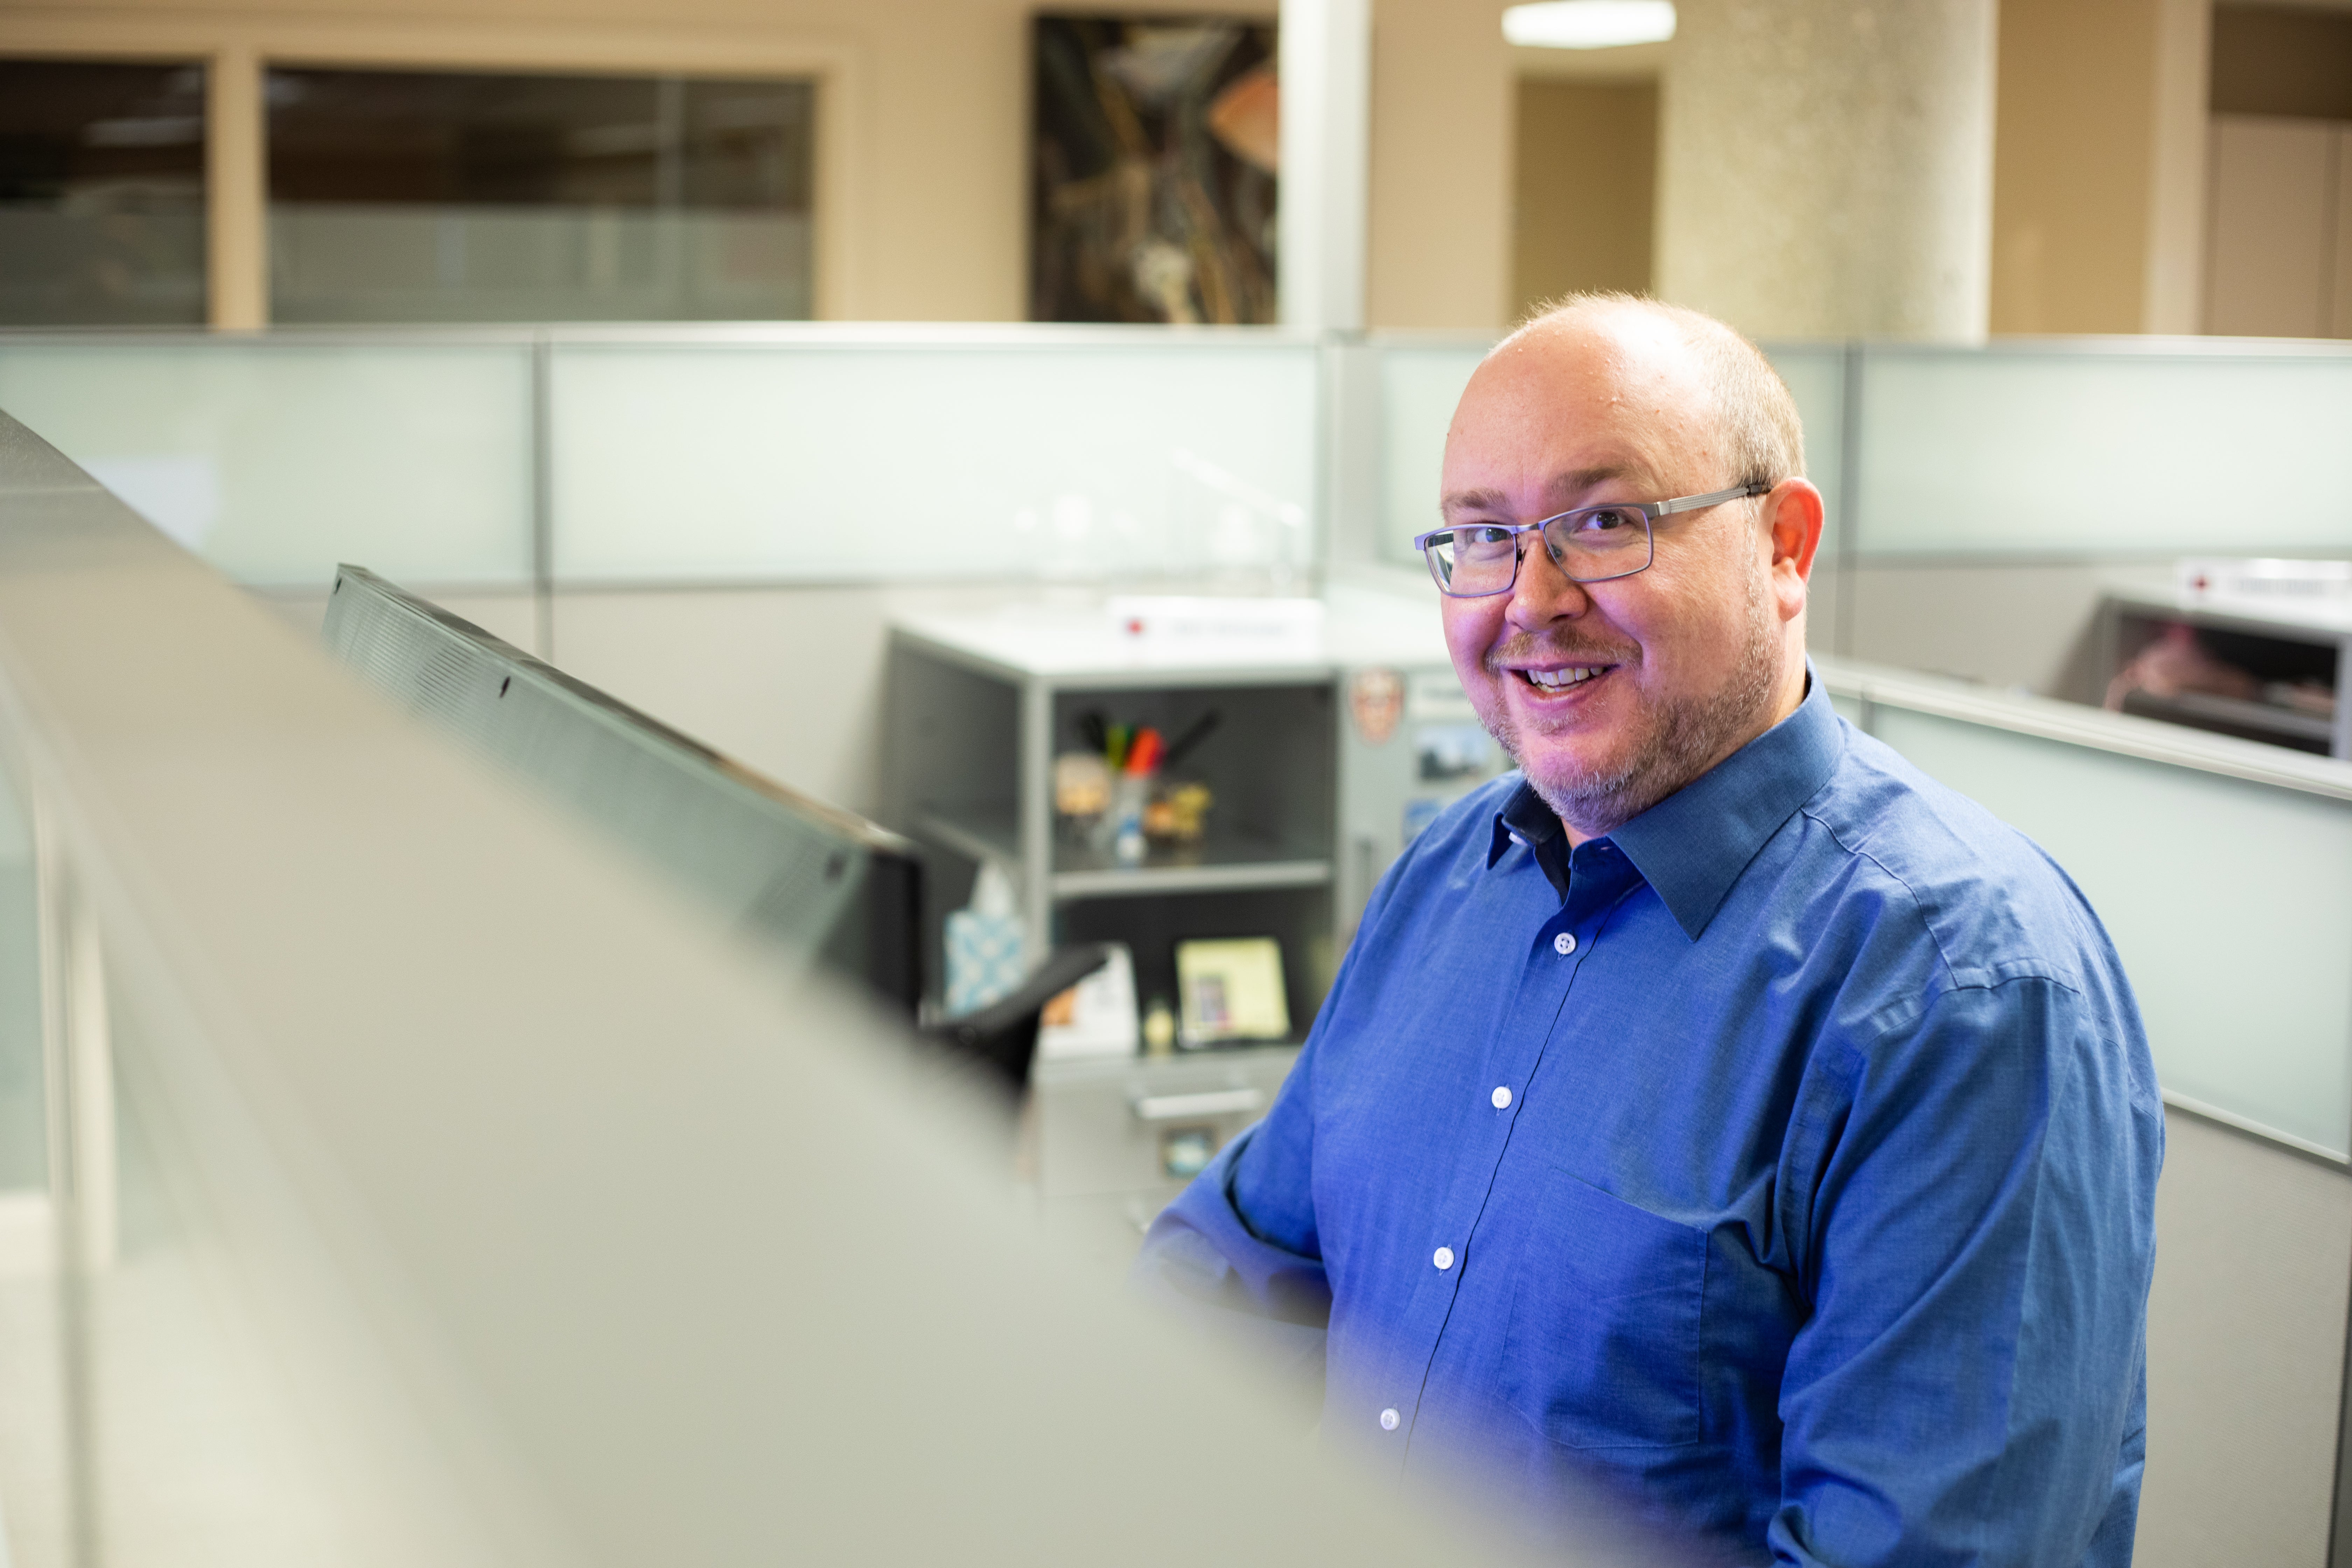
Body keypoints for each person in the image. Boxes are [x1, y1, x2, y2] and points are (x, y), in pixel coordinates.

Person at [1134, 295, 2162, 1564]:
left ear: (1785, 546)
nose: (1530, 600)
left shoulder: (1962, 990)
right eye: (1484, 537)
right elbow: (1239, 1263)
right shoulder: (1454, 876)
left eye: (1606, 524)